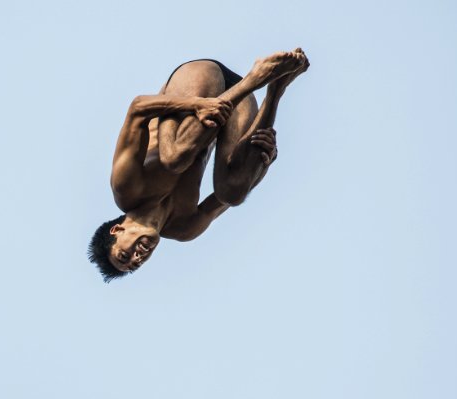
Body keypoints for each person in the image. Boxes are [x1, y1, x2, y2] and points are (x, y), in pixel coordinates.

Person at [88, 49, 309, 282]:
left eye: (125, 255)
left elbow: (138, 107)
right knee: (233, 193)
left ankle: (257, 76)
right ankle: (276, 89)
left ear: (117, 230)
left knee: (174, 158)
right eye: (135, 265)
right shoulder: (186, 227)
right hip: (236, 105)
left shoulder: (126, 187)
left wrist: (195, 104)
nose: (137, 258)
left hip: (198, 81)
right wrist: (265, 162)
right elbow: (242, 186)